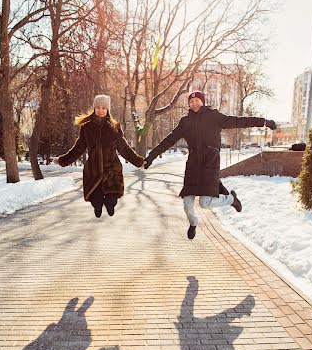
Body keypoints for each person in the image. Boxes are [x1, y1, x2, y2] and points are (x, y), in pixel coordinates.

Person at [144, 91, 276, 239]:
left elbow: (239, 121)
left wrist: (264, 122)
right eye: (191, 101)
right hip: (193, 166)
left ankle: (231, 199)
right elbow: (168, 141)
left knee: (205, 203)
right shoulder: (185, 122)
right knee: (187, 204)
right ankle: (193, 223)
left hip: (210, 164)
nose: (194, 103)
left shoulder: (213, 116)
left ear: (202, 101)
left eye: (197, 100)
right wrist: (151, 157)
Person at [53, 95, 145, 217]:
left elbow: (124, 149)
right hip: (93, 170)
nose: (100, 110)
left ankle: (110, 205)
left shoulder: (115, 128)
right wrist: (62, 160)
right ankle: (97, 206)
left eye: (103, 108)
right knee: (96, 200)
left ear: (108, 110)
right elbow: (78, 149)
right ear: (94, 109)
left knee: (112, 200)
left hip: (111, 170)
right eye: (98, 107)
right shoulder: (87, 128)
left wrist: (139, 161)